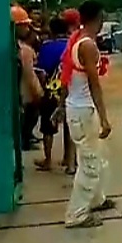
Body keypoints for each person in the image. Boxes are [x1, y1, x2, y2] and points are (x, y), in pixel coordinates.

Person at [62, 0, 114, 228]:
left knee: (97, 157)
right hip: (84, 111)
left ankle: (97, 199)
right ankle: (77, 214)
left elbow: (67, 80)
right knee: (90, 165)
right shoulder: (88, 46)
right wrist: (104, 118)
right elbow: (94, 85)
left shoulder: (77, 40)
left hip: (76, 108)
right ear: (99, 18)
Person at [34, 17, 76, 174]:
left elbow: (41, 72)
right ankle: (69, 160)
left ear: (51, 30)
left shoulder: (46, 47)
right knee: (69, 126)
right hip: (70, 91)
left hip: (51, 92)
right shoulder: (72, 45)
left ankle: (48, 160)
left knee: (47, 127)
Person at [13, 6, 44, 151]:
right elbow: (30, 76)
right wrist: (39, 93)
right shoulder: (23, 50)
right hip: (21, 96)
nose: (28, 28)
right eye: (25, 25)